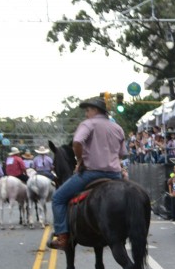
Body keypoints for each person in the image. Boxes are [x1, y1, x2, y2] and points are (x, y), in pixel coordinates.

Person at [48, 97, 126, 250]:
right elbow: (122, 153)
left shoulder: (88, 124)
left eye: (88, 110)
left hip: (92, 173)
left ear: (95, 110)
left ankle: (62, 236)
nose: (86, 114)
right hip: (116, 175)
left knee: (57, 198)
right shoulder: (117, 128)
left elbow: (77, 142)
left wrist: (80, 160)